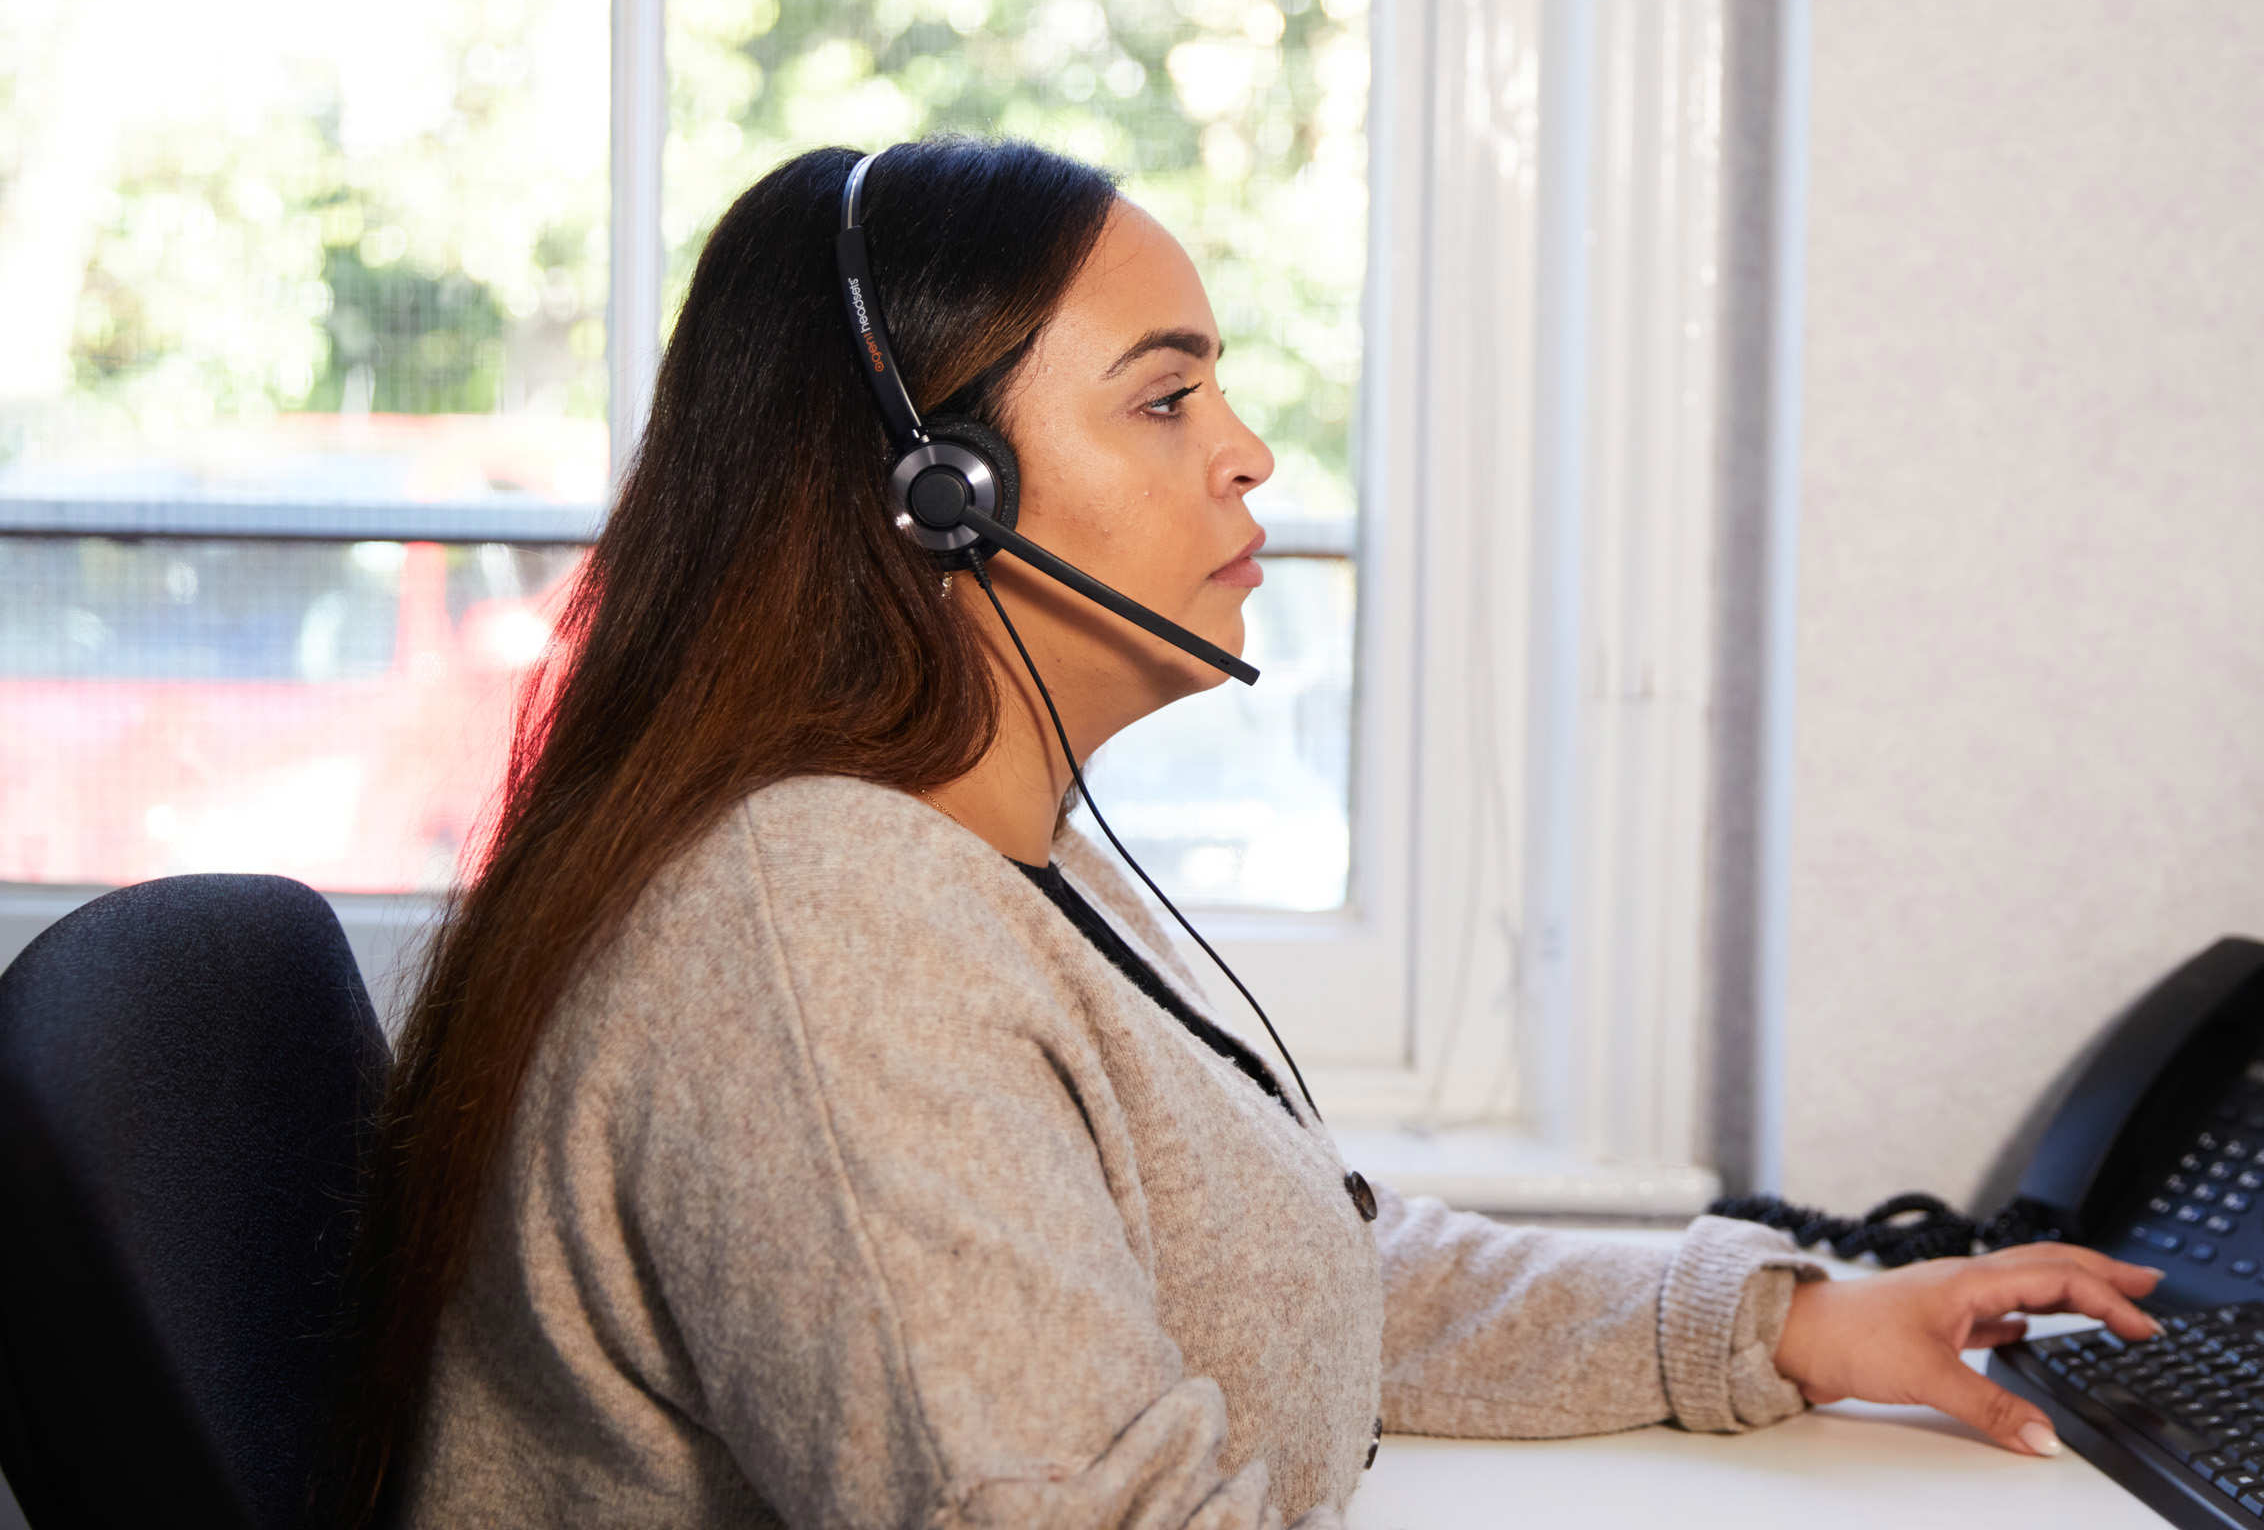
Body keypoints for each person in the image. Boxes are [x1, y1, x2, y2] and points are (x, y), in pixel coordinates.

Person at [337, 136, 2162, 1527]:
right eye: (1166, 394)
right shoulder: (819, 923)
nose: (1251, 453)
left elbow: (1292, 1274)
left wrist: (1787, 1323)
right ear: (938, 493)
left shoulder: (978, 856)